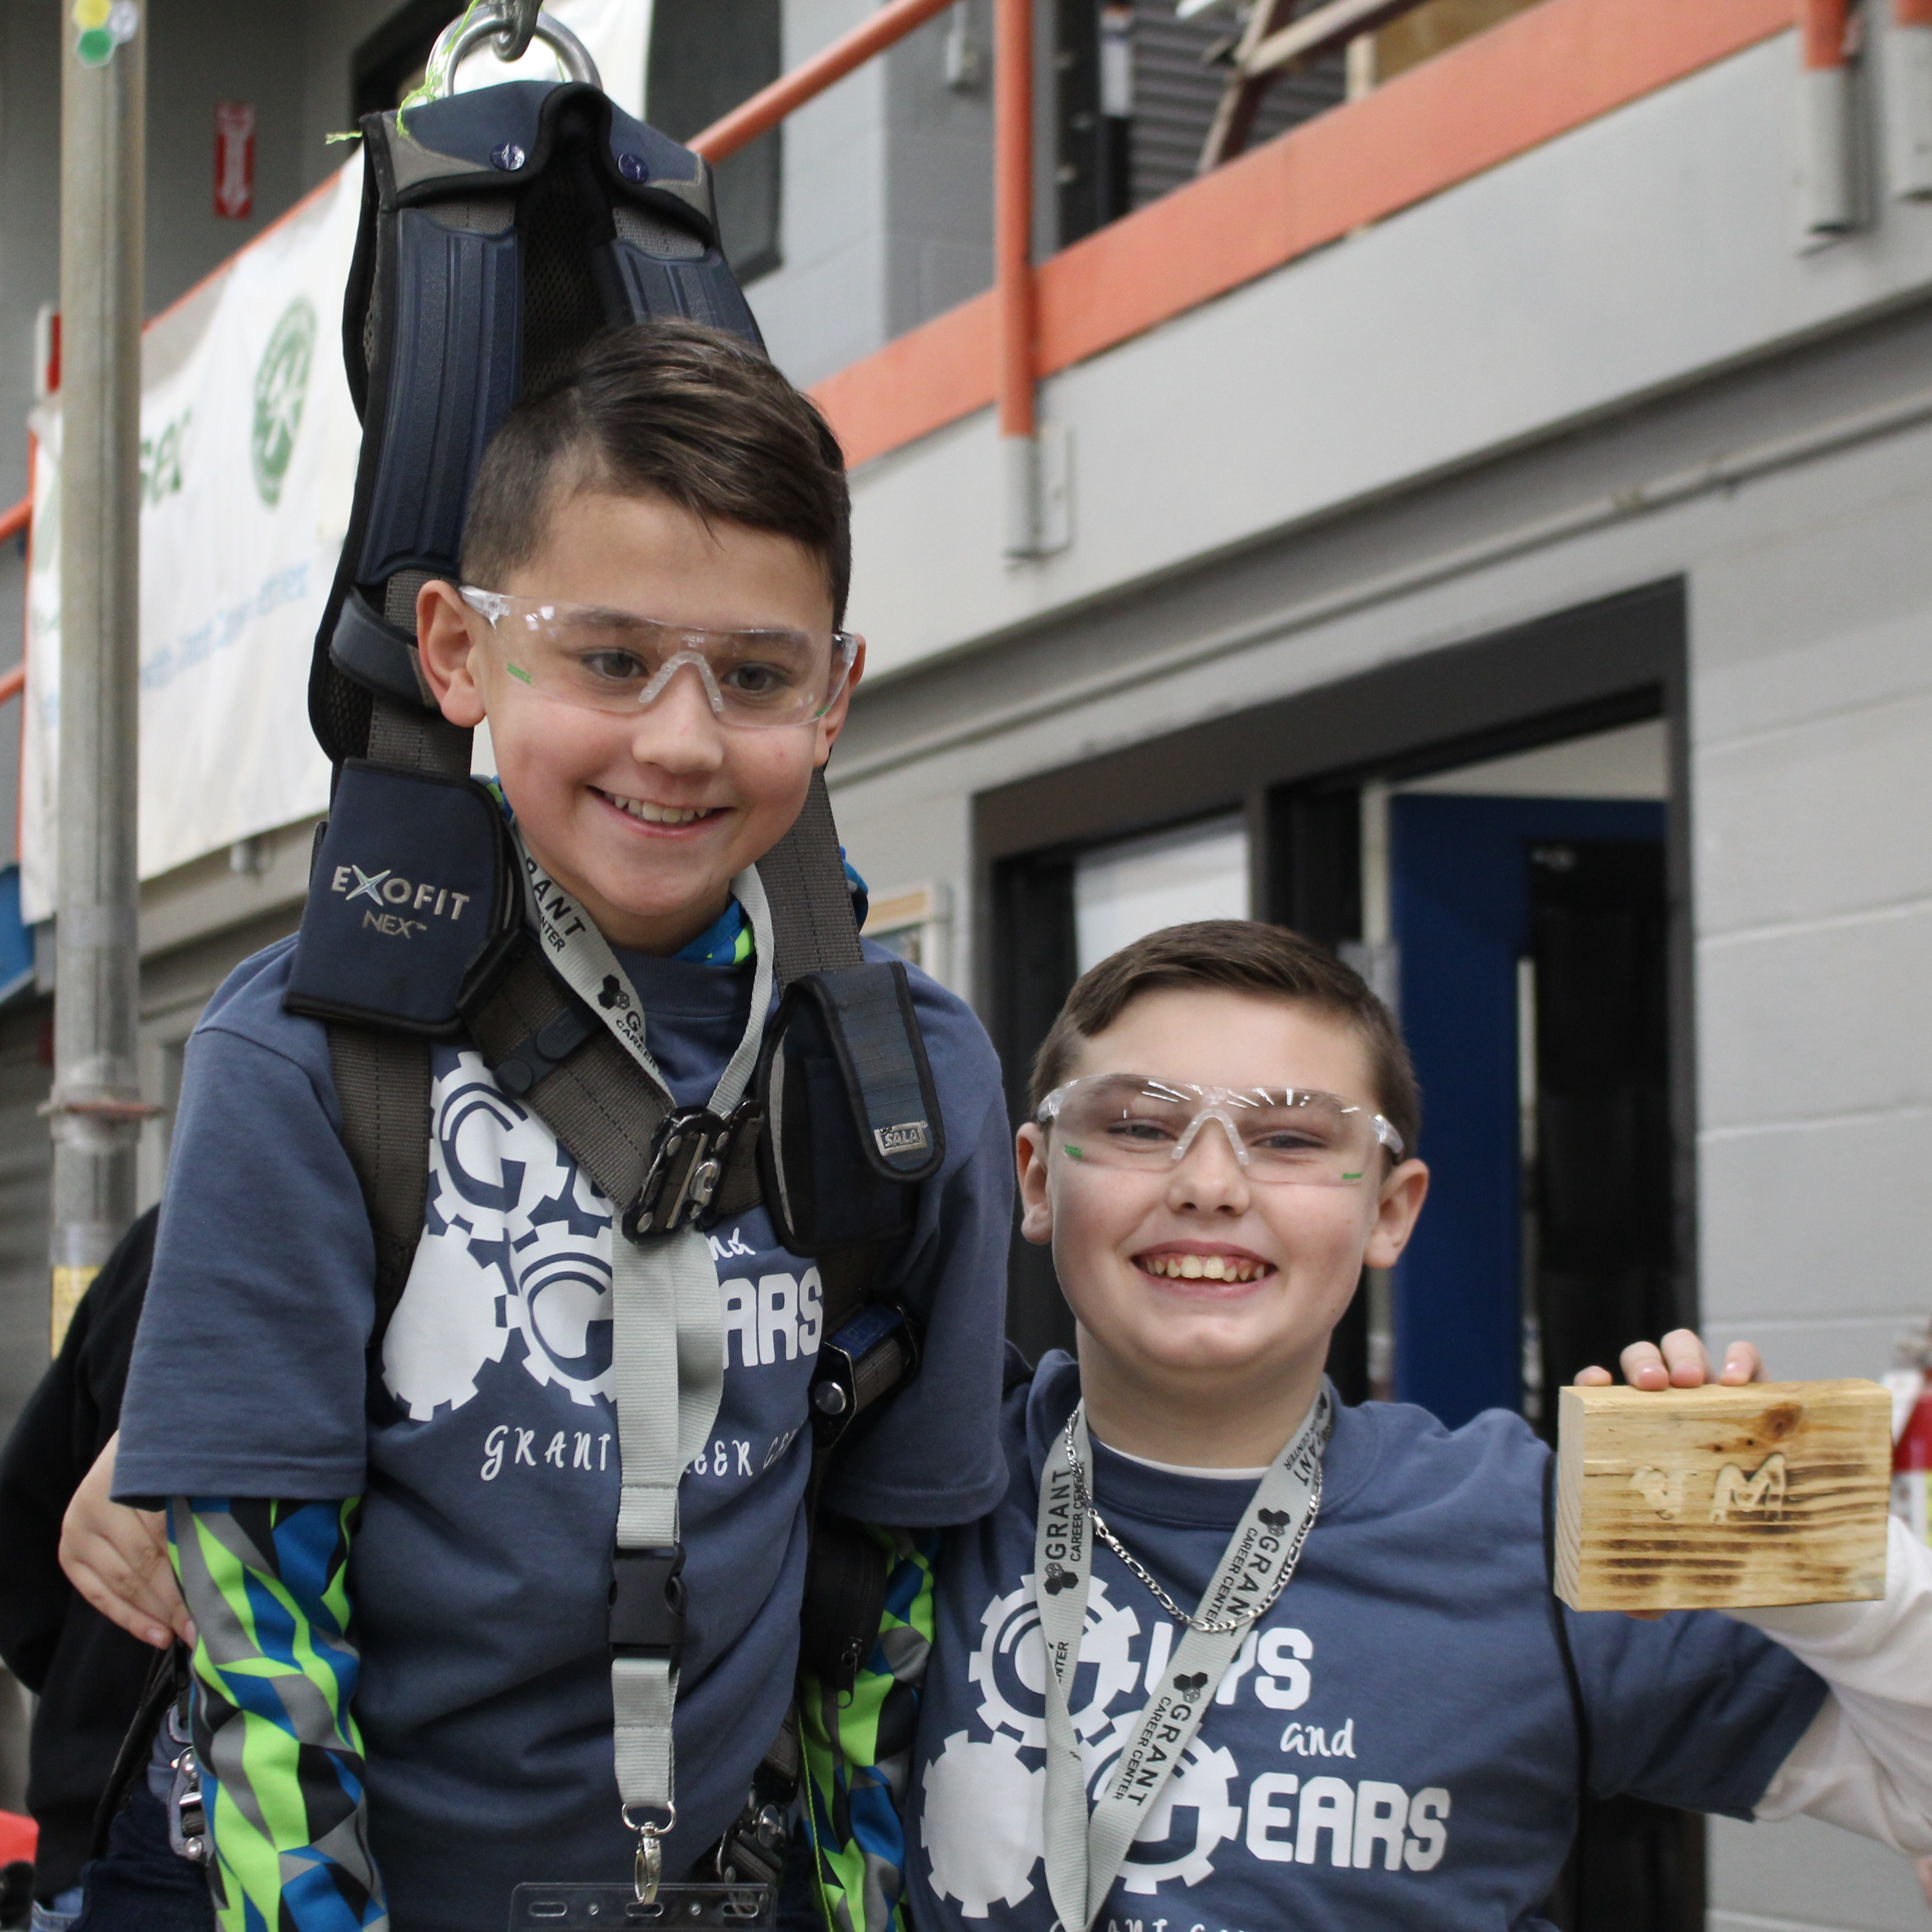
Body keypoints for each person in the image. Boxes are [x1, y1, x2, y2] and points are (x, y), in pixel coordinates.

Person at [102, 319, 1012, 1932]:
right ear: (458, 652)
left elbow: (886, 1631)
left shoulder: (909, 1078)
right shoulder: (312, 1054)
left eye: (754, 674)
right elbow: (265, 1656)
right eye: (608, 657)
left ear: (835, 697)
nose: (678, 736)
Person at [904, 920, 1932, 1930]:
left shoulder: (1525, 1530)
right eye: (1138, 1126)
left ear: (1391, 1212)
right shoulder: (906, 1483)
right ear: (1038, 1178)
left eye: (1292, 1140)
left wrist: (1790, 1538)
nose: (1208, 1185)